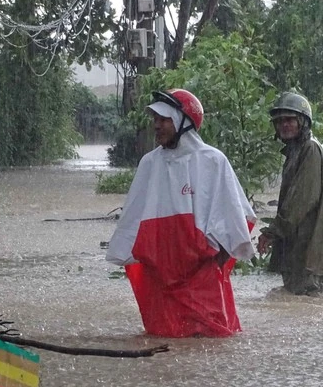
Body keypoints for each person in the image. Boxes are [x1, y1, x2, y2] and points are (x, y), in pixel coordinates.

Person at [106, 88, 256, 338]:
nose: (156, 125)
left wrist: (211, 270)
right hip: (161, 279)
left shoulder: (213, 161)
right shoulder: (149, 164)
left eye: (163, 119)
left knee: (210, 340)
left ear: (183, 122)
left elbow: (234, 220)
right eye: (155, 119)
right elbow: (132, 223)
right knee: (164, 342)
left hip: (201, 275)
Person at [257, 92, 323, 295]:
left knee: (304, 302)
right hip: (299, 247)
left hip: (310, 249)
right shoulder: (296, 150)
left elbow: (301, 200)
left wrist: (272, 231)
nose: (284, 125)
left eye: (289, 120)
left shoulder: (310, 149)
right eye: (279, 121)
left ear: (302, 122)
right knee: (295, 306)